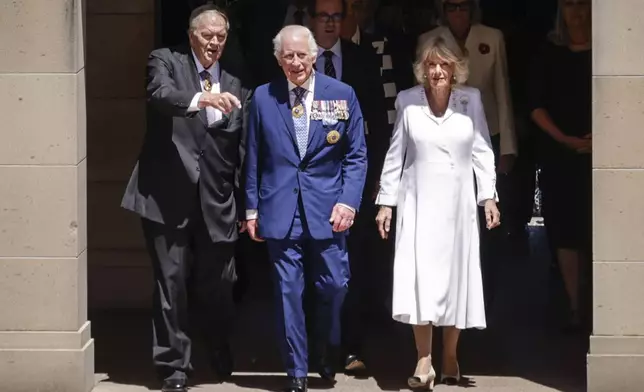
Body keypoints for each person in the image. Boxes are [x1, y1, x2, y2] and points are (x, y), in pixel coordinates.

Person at [120, 6, 252, 392]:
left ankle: (218, 341)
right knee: (171, 282)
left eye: (221, 37)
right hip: (166, 194)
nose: (214, 43)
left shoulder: (236, 79)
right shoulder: (165, 60)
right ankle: (173, 367)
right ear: (192, 34)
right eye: (207, 35)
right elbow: (159, 93)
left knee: (221, 282)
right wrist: (201, 100)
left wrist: (246, 203)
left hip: (218, 198)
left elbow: (240, 147)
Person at [244, 25, 367, 392]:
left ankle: (326, 348)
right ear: (278, 60)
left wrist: (348, 201)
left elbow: (356, 155)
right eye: (288, 56)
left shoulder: (342, 94)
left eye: (301, 55)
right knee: (287, 292)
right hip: (280, 209)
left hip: (328, 208)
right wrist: (251, 209)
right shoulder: (264, 97)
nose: (295, 62)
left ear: (314, 56)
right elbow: (254, 156)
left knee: (334, 285)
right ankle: (296, 370)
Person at [375, 32, 500, 388]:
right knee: (421, 280)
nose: (437, 71)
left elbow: (482, 151)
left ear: (455, 68)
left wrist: (488, 197)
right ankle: (424, 360)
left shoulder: (470, 100)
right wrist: (386, 202)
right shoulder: (407, 101)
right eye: (431, 64)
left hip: (458, 206)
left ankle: (450, 355)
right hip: (417, 204)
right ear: (422, 69)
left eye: (444, 64)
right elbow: (395, 154)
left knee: (455, 278)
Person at [418, 0, 516, 313]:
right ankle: (448, 296)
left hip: (488, 135)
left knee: (488, 219)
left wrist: (508, 147)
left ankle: (484, 297)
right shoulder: (429, 39)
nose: (457, 13)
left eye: (462, 7)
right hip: (444, 141)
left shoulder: (493, 37)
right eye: (451, 7)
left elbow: (502, 91)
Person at [307, 0, 388, 373]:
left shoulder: (363, 58)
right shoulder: (296, 59)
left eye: (335, 16)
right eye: (322, 16)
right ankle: (318, 348)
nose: (329, 23)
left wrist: (378, 181)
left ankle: (354, 347)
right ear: (310, 20)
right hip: (308, 186)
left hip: (355, 183)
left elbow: (380, 125)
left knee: (353, 269)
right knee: (313, 269)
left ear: (345, 20)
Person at [528, 0, 592, 333]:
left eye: (584, 3)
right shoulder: (549, 55)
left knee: (597, 230)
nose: (577, 11)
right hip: (560, 155)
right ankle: (575, 305)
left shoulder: (610, 53)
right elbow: (536, 106)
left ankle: (598, 303)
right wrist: (565, 139)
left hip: (603, 157)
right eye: (569, 4)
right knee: (566, 231)